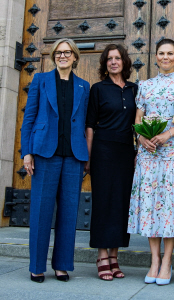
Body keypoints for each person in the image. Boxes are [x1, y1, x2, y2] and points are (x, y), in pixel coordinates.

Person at [127, 38, 174, 285]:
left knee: (170, 204)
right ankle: (154, 260)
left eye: (170, 53)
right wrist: (141, 137)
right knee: (150, 203)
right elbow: (138, 116)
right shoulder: (144, 85)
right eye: (161, 53)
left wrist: (167, 134)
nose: (165, 57)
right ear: (155, 57)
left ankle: (167, 261)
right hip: (149, 152)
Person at [21, 38, 90, 283]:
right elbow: (29, 117)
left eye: (67, 52)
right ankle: (37, 266)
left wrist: (87, 155)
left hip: (73, 157)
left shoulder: (84, 86)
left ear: (75, 57)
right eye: (58, 52)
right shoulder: (40, 80)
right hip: (44, 154)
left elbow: (83, 122)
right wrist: (26, 152)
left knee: (69, 213)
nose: (62, 56)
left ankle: (62, 265)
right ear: (54, 56)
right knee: (40, 212)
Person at [85, 44, 137, 281]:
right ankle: (102, 256)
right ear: (105, 63)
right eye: (109, 59)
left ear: (125, 62)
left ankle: (115, 256)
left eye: (117, 58)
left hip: (126, 153)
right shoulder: (98, 89)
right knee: (104, 203)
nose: (113, 62)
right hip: (103, 152)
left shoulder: (135, 89)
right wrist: (88, 156)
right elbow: (90, 125)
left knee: (121, 204)